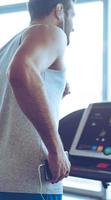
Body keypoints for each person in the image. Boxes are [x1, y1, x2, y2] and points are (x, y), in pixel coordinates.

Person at [0, 0, 75, 199]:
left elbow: (11, 105)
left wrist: (53, 93)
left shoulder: (8, 48)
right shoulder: (51, 31)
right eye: (73, 16)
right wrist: (56, 148)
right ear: (59, 10)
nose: (74, 27)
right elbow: (22, 71)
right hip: (30, 182)